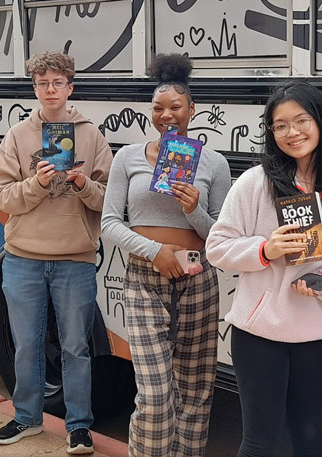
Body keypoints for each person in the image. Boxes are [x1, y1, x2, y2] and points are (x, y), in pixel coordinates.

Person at [206, 81, 322, 457]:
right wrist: (265, 248)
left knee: (309, 437)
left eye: (301, 120)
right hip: (259, 332)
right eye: (280, 125)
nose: (292, 133)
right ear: (271, 133)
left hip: (316, 331)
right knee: (261, 440)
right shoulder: (255, 183)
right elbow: (217, 246)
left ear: (320, 121)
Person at [100, 53, 231, 457]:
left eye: (176, 107)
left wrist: (194, 209)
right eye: (158, 108)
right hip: (143, 278)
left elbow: (223, 239)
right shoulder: (128, 157)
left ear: (192, 110)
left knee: (194, 392)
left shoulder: (213, 162)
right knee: (156, 398)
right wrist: (155, 251)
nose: (166, 115)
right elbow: (109, 223)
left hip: (198, 282)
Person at [0, 52, 112, 454]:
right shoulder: (17, 136)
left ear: (70, 87)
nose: (51, 89)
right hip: (23, 255)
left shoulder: (91, 136)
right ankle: (26, 416)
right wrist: (38, 184)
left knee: (76, 346)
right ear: (35, 89)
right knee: (26, 343)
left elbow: (109, 200)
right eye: (43, 83)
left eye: (58, 82)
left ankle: (78, 426)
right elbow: (2, 196)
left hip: (74, 256)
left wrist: (82, 185)